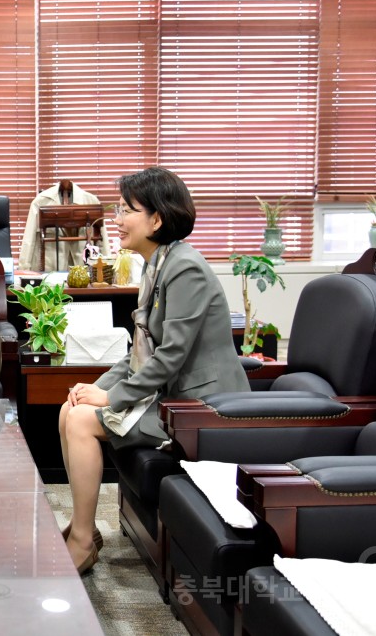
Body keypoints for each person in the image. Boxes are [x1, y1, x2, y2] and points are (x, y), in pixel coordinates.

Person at [58, 167, 249, 573]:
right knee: (69, 408)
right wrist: (94, 386)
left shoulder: (185, 268)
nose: (116, 218)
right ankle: (83, 528)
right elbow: (142, 350)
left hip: (201, 410)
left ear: (157, 219)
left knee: (80, 423)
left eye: (126, 209)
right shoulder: (157, 264)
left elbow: (170, 357)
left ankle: (80, 542)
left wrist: (110, 398)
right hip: (171, 399)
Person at [18, 179, 110, 272]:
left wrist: (108, 270)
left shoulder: (91, 201)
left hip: (84, 270)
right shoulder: (40, 202)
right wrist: (24, 271)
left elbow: (102, 240)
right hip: (50, 271)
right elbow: (29, 240)